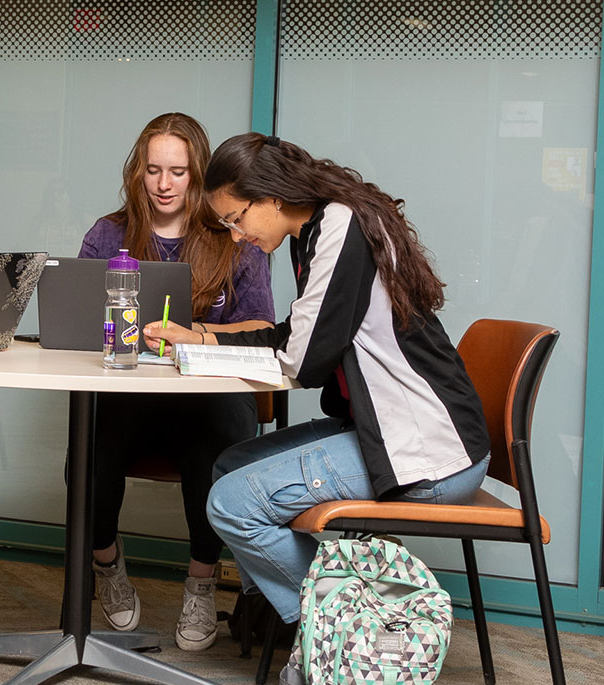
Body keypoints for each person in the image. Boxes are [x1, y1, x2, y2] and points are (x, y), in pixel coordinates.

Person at [144, 133, 491, 628]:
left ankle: (352, 630)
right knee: (228, 466)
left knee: (229, 503)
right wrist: (201, 338)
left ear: (270, 196)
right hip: (398, 435)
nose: (237, 236)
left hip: (427, 455)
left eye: (236, 219)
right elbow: (298, 333)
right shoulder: (314, 230)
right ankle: (272, 618)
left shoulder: (338, 227)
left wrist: (209, 349)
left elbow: (302, 362)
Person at [78, 113, 275, 651]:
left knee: (215, 443)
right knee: (89, 450)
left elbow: (263, 327)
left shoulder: (234, 236)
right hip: (128, 394)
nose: (164, 184)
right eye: (153, 170)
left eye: (179, 172)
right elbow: (74, 315)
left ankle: (201, 582)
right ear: (137, 173)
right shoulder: (109, 233)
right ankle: (107, 564)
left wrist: (196, 335)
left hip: (205, 397)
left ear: (199, 174)